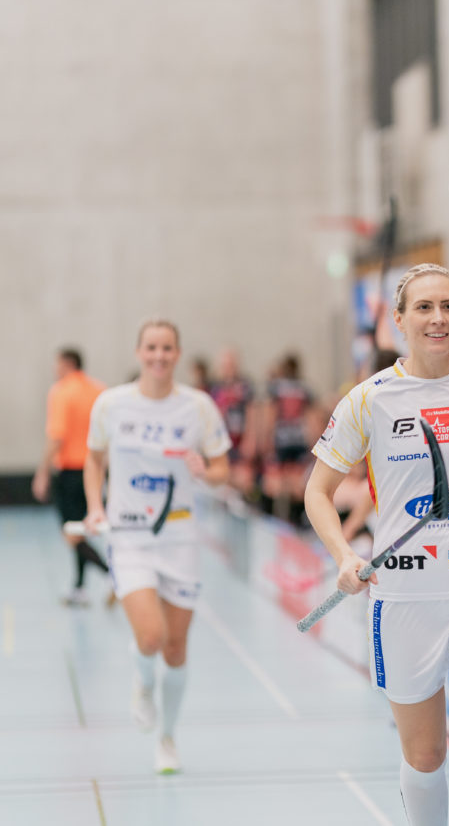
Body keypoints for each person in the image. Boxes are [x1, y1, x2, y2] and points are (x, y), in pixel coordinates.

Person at [306, 264, 449, 826]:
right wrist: (344, 556)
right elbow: (318, 491)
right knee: (426, 754)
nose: (439, 318)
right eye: (425, 308)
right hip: (404, 595)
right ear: (400, 320)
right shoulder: (368, 400)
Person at [83, 318, 231, 774]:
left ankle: (167, 738)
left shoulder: (198, 407)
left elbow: (223, 468)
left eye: (167, 348)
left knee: (176, 646)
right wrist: (95, 506)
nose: (159, 356)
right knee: (151, 636)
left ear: (178, 354)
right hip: (130, 536)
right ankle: (142, 684)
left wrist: (205, 469)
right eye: (151, 348)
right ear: (138, 352)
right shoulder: (111, 404)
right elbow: (94, 457)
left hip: (181, 539)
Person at [32, 347, 110, 606]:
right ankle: (79, 587)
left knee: (71, 532)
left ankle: (113, 576)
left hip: (70, 471)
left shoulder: (61, 391)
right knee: (81, 530)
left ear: (66, 364)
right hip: (96, 470)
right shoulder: (99, 390)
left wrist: (42, 471)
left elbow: (57, 435)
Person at [260, 352, 314, 524]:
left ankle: (273, 520)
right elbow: (310, 418)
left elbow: (271, 414)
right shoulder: (303, 388)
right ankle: (294, 520)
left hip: (283, 440)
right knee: (295, 485)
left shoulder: (278, 387)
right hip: (297, 440)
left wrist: (267, 439)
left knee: (276, 483)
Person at [208, 347, 258, 494]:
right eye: (225, 365)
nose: (228, 369)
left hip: (240, 438)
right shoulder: (214, 387)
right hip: (222, 439)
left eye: (231, 365)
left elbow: (251, 412)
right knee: (223, 476)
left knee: (244, 477)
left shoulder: (245, 386)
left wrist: (251, 438)